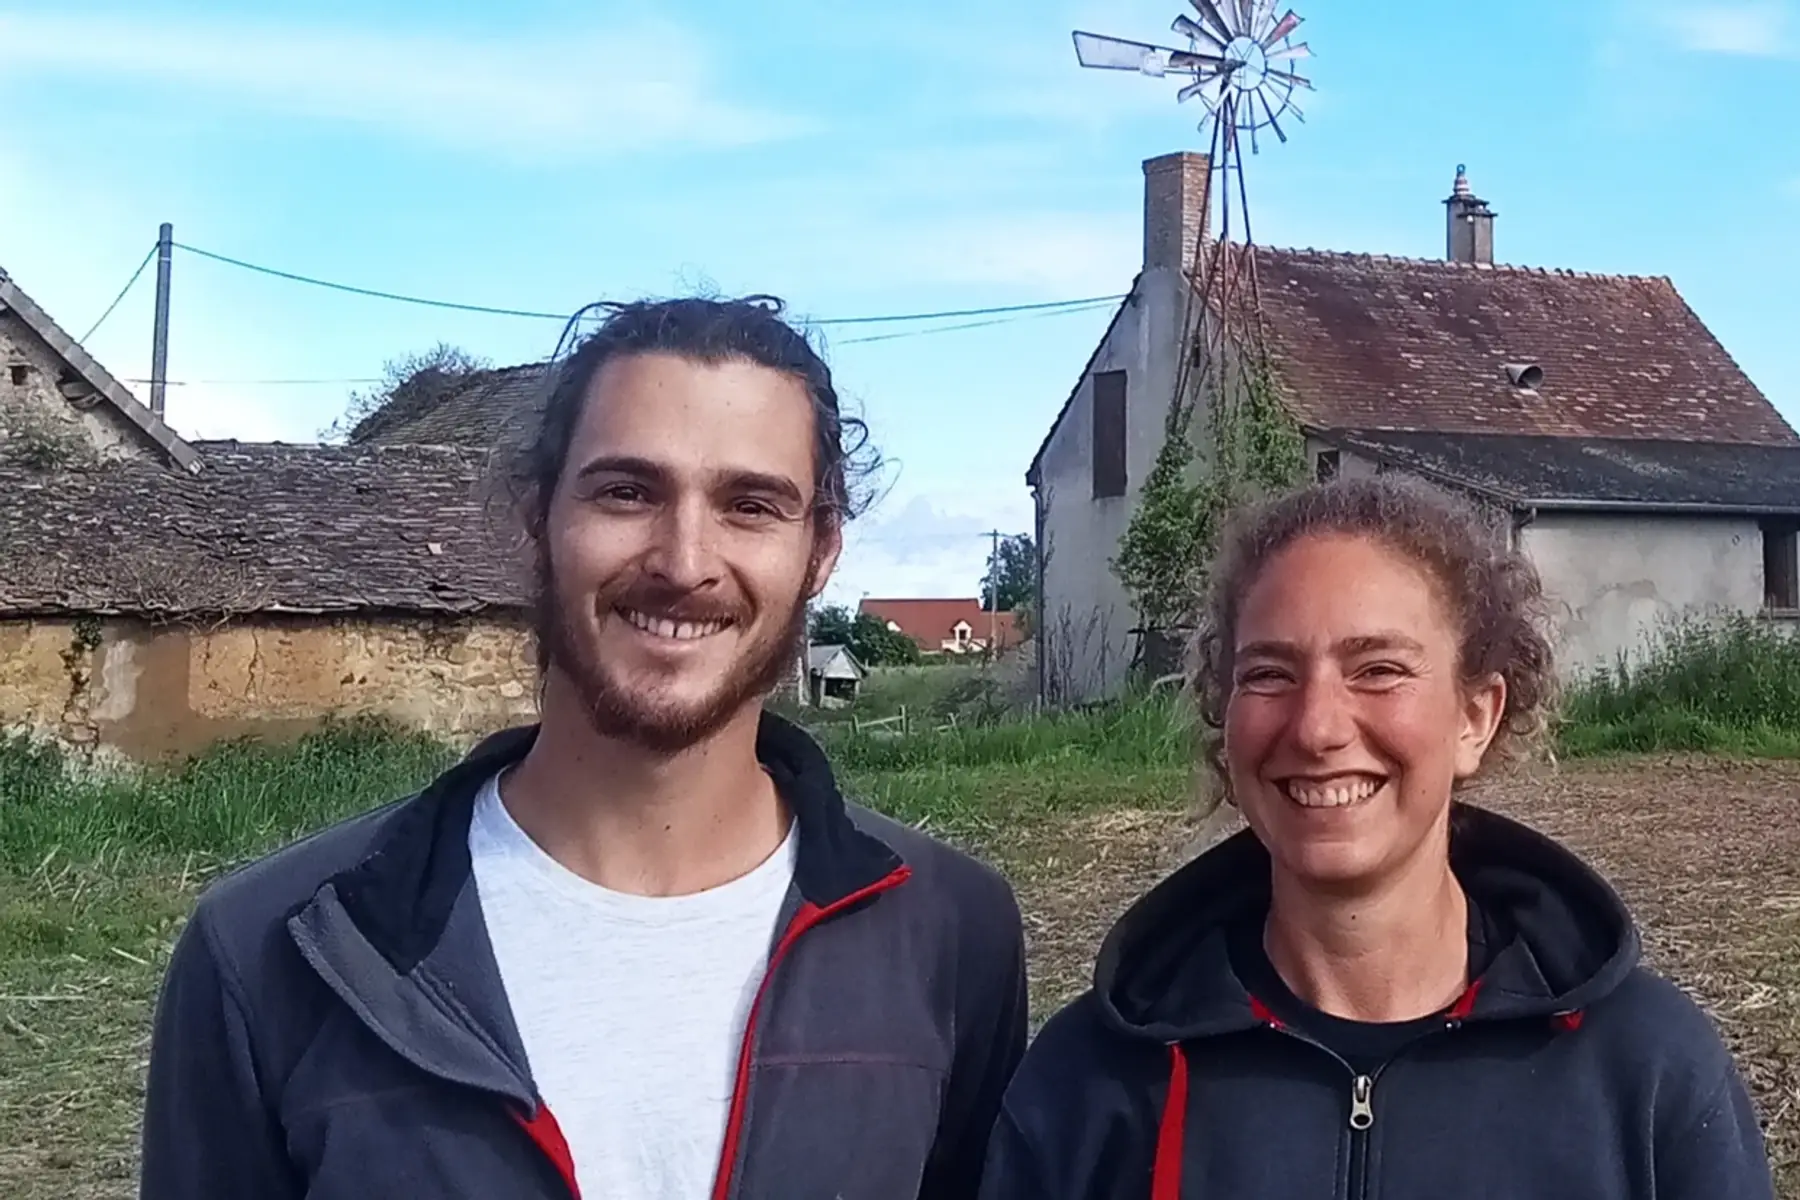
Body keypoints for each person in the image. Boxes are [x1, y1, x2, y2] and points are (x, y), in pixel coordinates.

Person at [140, 295, 1030, 1200]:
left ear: (822, 550)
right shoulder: (274, 952)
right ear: (539, 517)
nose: (684, 562)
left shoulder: (951, 936)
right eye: (626, 493)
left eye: (750, 505)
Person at [979, 475, 1774, 1199]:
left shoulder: (1646, 1071)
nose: (1318, 725)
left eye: (1380, 670)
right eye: (1269, 673)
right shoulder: (1090, 1082)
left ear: (1475, 716)